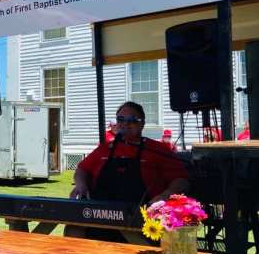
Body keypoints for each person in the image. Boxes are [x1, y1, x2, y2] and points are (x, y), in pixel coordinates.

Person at [66, 101, 189, 243]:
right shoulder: (105, 148)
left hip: (141, 220)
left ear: (142, 124)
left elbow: (182, 180)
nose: (125, 124)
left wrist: (164, 196)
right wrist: (81, 185)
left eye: (132, 120)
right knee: (73, 228)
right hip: (98, 216)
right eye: (120, 119)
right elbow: (82, 169)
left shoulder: (158, 149)